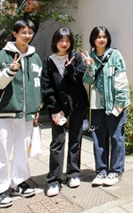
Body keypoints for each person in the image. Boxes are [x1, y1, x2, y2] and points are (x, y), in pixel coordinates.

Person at [0, 19, 42, 208]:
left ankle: (18, 181)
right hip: (5, 113)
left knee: (21, 150)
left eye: (30, 32)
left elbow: (37, 85)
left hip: (27, 114)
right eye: (24, 32)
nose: (27, 35)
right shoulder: (1, 56)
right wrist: (10, 71)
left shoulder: (35, 58)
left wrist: (36, 107)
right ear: (15, 33)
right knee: (0, 151)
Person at [41, 27, 89, 197]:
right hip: (59, 108)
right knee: (57, 142)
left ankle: (73, 173)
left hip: (77, 105)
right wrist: (54, 108)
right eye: (61, 40)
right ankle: (54, 180)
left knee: (75, 139)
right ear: (55, 42)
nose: (64, 43)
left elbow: (81, 79)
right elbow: (46, 86)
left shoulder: (75, 58)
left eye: (67, 40)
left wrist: (70, 70)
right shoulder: (48, 61)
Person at [82, 26, 129, 187]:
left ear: (108, 38)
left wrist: (120, 105)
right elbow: (87, 82)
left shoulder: (115, 55)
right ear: (93, 40)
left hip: (115, 105)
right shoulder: (91, 57)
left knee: (116, 138)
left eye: (104, 36)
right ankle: (101, 171)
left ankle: (116, 171)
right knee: (98, 139)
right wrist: (89, 66)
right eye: (98, 37)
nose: (101, 39)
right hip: (97, 106)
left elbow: (122, 80)